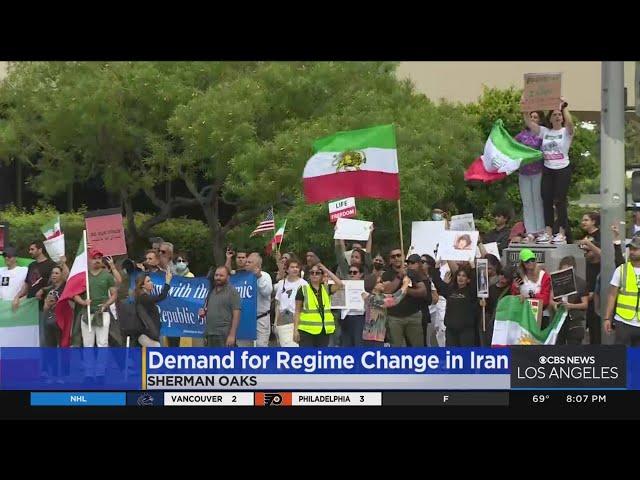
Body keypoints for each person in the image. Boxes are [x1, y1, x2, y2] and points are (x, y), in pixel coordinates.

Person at [523, 97, 575, 244]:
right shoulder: (545, 131)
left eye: (559, 115)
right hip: (548, 168)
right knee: (546, 200)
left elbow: (570, 124)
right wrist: (525, 105)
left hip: (562, 168)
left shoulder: (566, 131)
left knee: (560, 201)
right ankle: (548, 232)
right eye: (554, 115)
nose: (557, 116)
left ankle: (562, 233)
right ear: (550, 118)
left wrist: (563, 106)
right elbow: (528, 122)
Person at [382, 248, 429, 347]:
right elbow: (387, 291)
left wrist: (406, 290)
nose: (396, 258)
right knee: (396, 348)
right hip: (394, 317)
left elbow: (423, 291)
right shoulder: (386, 274)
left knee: (418, 348)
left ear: (403, 257)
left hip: (413, 315)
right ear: (390, 260)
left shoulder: (412, 273)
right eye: (393, 256)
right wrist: (400, 276)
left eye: (399, 255)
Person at [73, 249, 118, 348]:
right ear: (88, 259)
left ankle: (102, 364)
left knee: (102, 343)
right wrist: (83, 302)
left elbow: (114, 294)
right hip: (87, 312)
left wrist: (106, 304)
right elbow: (75, 294)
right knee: (87, 344)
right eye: (94, 258)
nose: (97, 260)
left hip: (102, 312)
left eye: (99, 258)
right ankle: (89, 364)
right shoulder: (83, 275)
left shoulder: (107, 276)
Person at [293, 262, 343, 347]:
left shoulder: (326, 288)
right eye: (312, 273)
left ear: (322, 275)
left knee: (320, 358)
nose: (314, 275)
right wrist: (295, 330)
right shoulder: (303, 289)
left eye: (317, 273)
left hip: (323, 331)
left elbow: (340, 284)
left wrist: (325, 270)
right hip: (306, 330)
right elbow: (297, 311)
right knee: (307, 357)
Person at [604, 236, 640, 346]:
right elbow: (612, 295)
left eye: (636, 249)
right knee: (620, 357)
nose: (632, 251)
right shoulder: (621, 270)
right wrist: (607, 318)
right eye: (631, 249)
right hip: (623, 322)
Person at [515, 111, 546, 239]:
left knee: (537, 201)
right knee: (527, 202)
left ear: (540, 120)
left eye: (535, 117)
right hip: (523, 172)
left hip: (538, 171)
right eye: (531, 117)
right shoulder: (522, 135)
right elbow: (511, 146)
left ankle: (540, 230)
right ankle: (530, 231)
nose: (533, 119)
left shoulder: (542, 134)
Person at [12, 240, 64, 311]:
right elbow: (26, 285)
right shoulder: (31, 265)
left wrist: (43, 290)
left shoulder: (51, 265)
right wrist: (17, 297)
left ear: (40, 250)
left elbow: (58, 283)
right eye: (29, 249)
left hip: (44, 305)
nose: (30, 252)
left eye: (32, 249)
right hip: (29, 305)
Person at [362, 275, 411, 346]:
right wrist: (405, 284)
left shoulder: (380, 296)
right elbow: (394, 300)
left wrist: (405, 283)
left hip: (378, 337)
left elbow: (396, 296)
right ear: (374, 286)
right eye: (380, 282)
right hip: (372, 338)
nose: (383, 283)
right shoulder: (372, 298)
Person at [198, 266, 241, 347]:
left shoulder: (232, 292)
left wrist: (232, 335)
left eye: (221, 276)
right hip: (210, 334)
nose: (218, 277)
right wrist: (204, 313)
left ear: (228, 277)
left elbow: (236, 315)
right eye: (216, 275)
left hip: (224, 335)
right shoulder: (211, 292)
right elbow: (211, 310)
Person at [550, 256, 588, 345]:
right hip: (559, 320)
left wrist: (571, 305)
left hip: (574, 320)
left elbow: (585, 304)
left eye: (568, 270)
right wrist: (555, 305)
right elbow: (550, 300)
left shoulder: (581, 283)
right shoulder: (556, 281)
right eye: (563, 270)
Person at [511, 248, 552, 327]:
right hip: (523, 314)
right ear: (522, 263)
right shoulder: (519, 276)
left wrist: (531, 296)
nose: (530, 263)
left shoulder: (544, 276)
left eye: (532, 260)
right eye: (527, 261)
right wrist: (515, 288)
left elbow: (546, 300)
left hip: (541, 314)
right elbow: (514, 297)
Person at [577, 212, 601, 344]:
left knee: (597, 321)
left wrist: (588, 244)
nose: (583, 222)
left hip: (599, 281)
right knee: (591, 320)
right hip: (589, 279)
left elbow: (604, 254)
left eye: (586, 220)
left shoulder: (600, 235)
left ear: (594, 221)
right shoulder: (586, 236)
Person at [440, 265, 479, 347]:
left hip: (466, 331)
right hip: (451, 330)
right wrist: (436, 268)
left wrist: (472, 268)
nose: (460, 278)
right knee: (451, 355)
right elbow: (439, 286)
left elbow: (476, 281)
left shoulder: (471, 292)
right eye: (459, 275)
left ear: (468, 279)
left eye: (464, 276)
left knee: (465, 355)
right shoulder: (450, 290)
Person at [134, 270, 172, 347]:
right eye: (148, 281)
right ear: (142, 285)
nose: (151, 282)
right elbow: (161, 296)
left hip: (150, 335)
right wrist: (167, 281)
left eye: (150, 280)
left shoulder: (145, 297)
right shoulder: (143, 298)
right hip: (145, 335)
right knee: (157, 348)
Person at [273, 259, 307, 347]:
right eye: (292, 267)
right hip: (283, 318)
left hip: (296, 317)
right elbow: (278, 304)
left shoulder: (304, 284)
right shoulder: (281, 283)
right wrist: (276, 322)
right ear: (287, 269)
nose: (295, 269)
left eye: (297, 267)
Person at [245, 252, 273, 347]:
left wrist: (259, 277)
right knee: (245, 347)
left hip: (261, 318)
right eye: (247, 261)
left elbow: (267, 292)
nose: (246, 263)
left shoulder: (265, 276)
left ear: (257, 265)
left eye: (250, 262)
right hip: (245, 319)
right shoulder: (242, 277)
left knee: (261, 347)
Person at [484, 264, 513, 346]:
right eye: (501, 275)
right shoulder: (490, 288)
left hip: (503, 322)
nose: (502, 278)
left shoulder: (510, 290)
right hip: (491, 321)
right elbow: (487, 307)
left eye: (505, 277)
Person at [340, 263, 367, 347]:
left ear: (361, 274)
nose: (352, 274)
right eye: (350, 272)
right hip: (345, 318)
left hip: (359, 318)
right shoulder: (342, 285)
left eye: (355, 272)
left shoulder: (365, 286)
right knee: (346, 345)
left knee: (358, 344)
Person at [423, 254, 447, 347]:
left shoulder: (435, 276)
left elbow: (441, 292)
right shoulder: (416, 276)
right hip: (425, 309)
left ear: (429, 264)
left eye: (423, 262)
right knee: (425, 337)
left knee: (441, 330)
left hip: (436, 307)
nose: (420, 264)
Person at [42, 265, 67, 347]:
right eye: (52, 273)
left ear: (62, 275)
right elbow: (45, 308)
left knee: (63, 346)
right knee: (50, 347)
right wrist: (48, 303)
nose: (53, 275)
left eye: (56, 273)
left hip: (62, 322)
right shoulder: (50, 289)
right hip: (49, 321)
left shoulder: (65, 287)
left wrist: (63, 263)